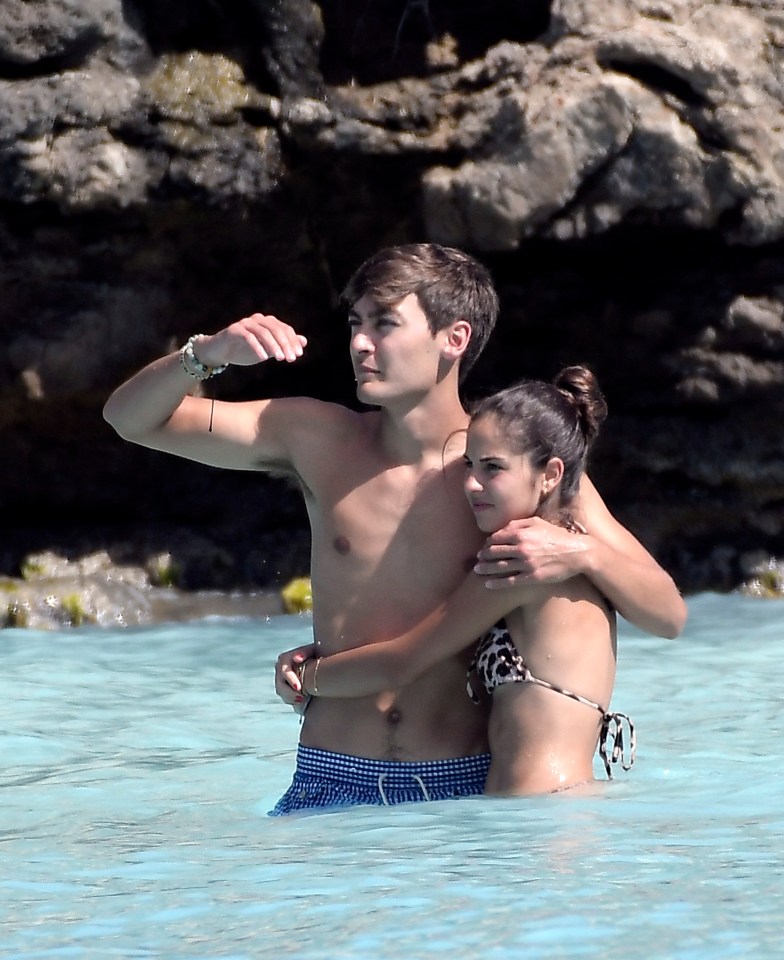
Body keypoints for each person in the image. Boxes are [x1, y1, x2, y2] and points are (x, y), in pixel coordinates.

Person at [102, 243, 686, 814]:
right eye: (355, 323)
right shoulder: (314, 438)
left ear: (453, 339)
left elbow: (667, 614)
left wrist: (583, 555)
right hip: (329, 776)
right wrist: (206, 353)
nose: (359, 342)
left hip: (459, 787)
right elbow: (129, 421)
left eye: (385, 324)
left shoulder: (510, 472)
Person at [282, 366, 635, 797]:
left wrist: (306, 677)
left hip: (543, 816)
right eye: (469, 464)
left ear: (551, 474)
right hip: (557, 807)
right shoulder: (572, 549)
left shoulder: (523, 561)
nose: (470, 483)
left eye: (493, 468)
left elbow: (404, 661)